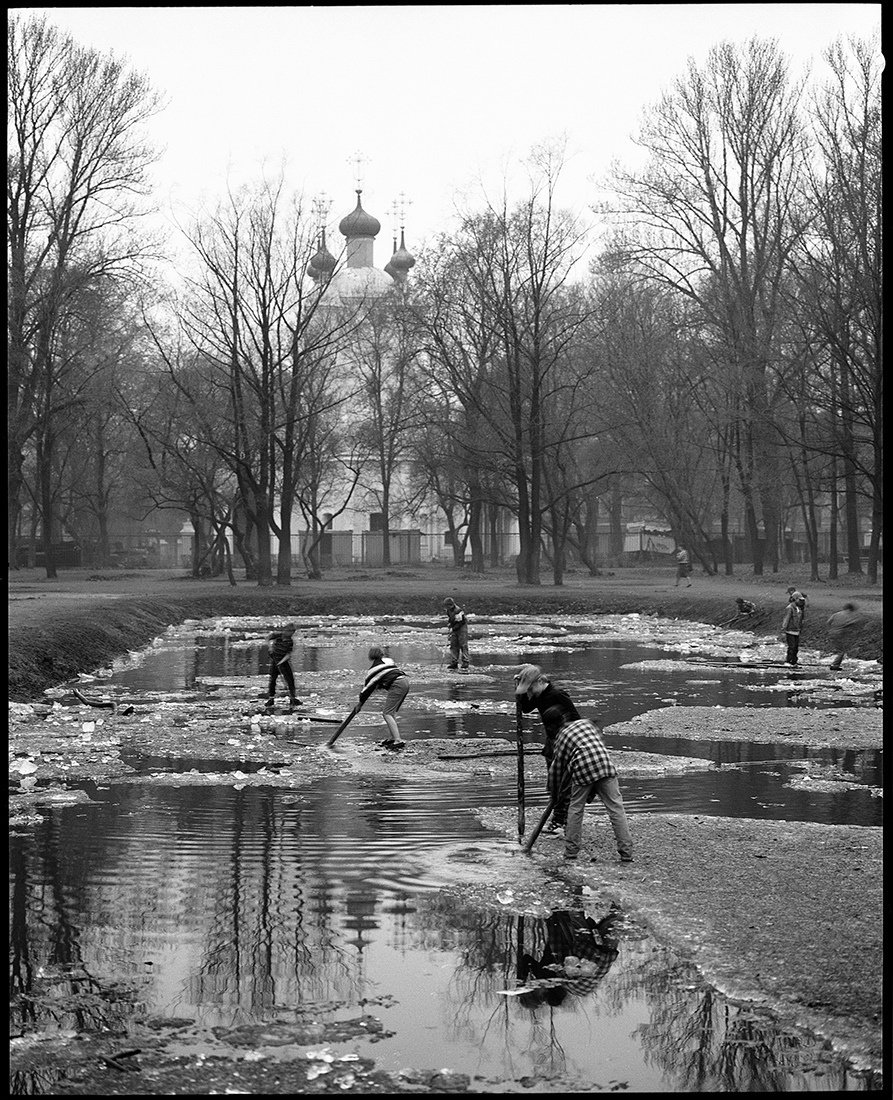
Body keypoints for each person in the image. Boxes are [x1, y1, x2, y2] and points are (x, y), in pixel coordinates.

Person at [542, 705, 633, 864]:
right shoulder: (586, 723)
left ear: (551, 726)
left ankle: (571, 853)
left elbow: (557, 770)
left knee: (575, 808)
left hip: (583, 769)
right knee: (616, 808)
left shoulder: (561, 738)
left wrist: (554, 793)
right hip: (605, 765)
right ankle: (626, 854)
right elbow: (599, 746)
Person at [513, 664, 582, 834]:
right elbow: (526, 709)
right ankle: (559, 819)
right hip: (551, 742)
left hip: (565, 741)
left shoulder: (558, 694)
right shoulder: (538, 695)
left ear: (540, 681)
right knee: (554, 783)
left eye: (531, 688)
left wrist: (569, 739)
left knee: (563, 784)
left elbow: (576, 717)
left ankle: (560, 821)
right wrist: (519, 691)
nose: (530, 692)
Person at [359, 645, 410, 750]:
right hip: (404, 681)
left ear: (370, 656)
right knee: (391, 712)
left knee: (386, 713)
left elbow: (367, 689)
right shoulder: (388, 660)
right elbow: (387, 674)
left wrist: (360, 704)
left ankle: (397, 740)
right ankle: (393, 737)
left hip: (397, 685)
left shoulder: (373, 670)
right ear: (382, 654)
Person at [265, 624, 301, 710]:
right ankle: (271, 698)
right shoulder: (278, 636)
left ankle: (292, 697)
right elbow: (268, 638)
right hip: (274, 660)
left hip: (283, 662)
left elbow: (288, 654)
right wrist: (270, 647)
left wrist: (281, 662)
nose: (291, 634)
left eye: (293, 632)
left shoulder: (290, 642)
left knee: (290, 679)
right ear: (286, 631)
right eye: (290, 632)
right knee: (273, 680)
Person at [826, 602, 862, 671]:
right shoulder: (848, 615)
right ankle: (835, 665)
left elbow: (828, 622)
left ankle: (835, 664)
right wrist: (856, 621)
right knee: (841, 651)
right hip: (839, 634)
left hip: (832, 633)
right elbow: (849, 624)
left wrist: (831, 629)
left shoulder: (836, 614)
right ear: (850, 609)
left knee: (840, 649)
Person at [443, 597, 470, 670]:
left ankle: (465, 662)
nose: (446, 607)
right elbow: (451, 618)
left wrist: (453, 628)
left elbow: (460, 622)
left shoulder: (458, 611)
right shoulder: (449, 610)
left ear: (450, 605)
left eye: (447, 606)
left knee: (463, 645)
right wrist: (450, 624)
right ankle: (454, 662)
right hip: (455, 627)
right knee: (453, 644)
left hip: (462, 628)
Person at [780, 597, 804, 667]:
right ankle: (788, 661)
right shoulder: (790, 608)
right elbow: (786, 618)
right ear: (795, 599)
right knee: (792, 647)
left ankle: (794, 661)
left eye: (802, 600)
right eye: (800, 600)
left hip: (797, 630)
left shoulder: (799, 608)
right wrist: (784, 628)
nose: (801, 602)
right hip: (790, 630)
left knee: (796, 647)